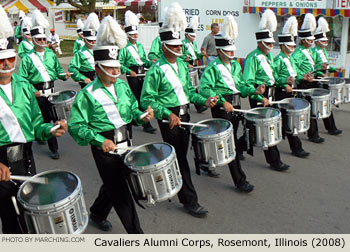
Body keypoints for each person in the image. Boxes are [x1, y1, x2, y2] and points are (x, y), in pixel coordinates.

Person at [69, 16, 154, 233]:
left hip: (126, 140)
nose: (117, 72)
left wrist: (142, 116)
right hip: (104, 147)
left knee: (114, 183)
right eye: (111, 69)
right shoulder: (87, 95)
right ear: (98, 68)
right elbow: (76, 126)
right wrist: (99, 140)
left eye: (117, 68)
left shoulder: (123, 87)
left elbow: (133, 109)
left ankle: (97, 212)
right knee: (122, 192)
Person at [141, 3, 217, 218]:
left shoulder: (183, 65)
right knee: (181, 160)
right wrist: (167, 114)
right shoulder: (155, 70)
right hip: (170, 117)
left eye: (179, 45)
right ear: (164, 46)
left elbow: (189, 93)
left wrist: (205, 100)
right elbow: (147, 99)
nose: (178, 48)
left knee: (179, 155)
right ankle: (189, 201)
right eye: (174, 46)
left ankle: (168, 180)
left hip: (184, 113)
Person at [0, 5, 67, 234]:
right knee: (8, 218)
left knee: (29, 212)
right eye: (1, 60)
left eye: (9, 58)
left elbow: (36, 123)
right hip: (0, 161)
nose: (7, 64)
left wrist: (49, 130)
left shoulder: (23, 86)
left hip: (25, 157)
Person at [200, 15, 264, 191]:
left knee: (226, 139)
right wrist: (221, 102)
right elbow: (205, 90)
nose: (232, 53)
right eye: (228, 51)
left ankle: (205, 162)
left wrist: (254, 91)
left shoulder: (236, 66)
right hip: (223, 107)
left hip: (236, 104)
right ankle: (240, 180)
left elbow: (241, 86)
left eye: (232, 50)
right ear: (220, 51)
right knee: (229, 143)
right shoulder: (212, 68)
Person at [18, 10, 71, 160]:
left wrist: (64, 76)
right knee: (45, 119)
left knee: (54, 119)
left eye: (43, 39)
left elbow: (58, 71)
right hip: (38, 93)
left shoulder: (50, 54)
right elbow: (22, 80)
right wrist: (32, 91)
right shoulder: (28, 58)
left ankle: (44, 136)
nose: (42, 41)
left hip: (52, 91)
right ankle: (54, 148)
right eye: (39, 39)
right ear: (33, 40)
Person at [243, 9, 290, 172]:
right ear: (260, 43)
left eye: (272, 43)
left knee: (257, 128)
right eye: (268, 43)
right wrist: (257, 93)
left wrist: (285, 82)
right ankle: (275, 161)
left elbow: (274, 76)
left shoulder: (269, 57)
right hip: (258, 94)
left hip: (271, 93)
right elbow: (247, 81)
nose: (271, 46)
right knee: (266, 128)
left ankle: (239, 146)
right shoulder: (252, 57)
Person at [274, 16, 310, 158]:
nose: (293, 48)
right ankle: (296, 148)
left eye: (294, 45)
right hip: (282, 93)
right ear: (283, 46)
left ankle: (295, 147)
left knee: (288, 122)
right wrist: (284, 84)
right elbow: (274, 78)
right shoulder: (278, 60)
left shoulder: (290, 59)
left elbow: (295, 74)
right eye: (291, 46)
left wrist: (303, 77)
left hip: (292, 92)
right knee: (287, 122)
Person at [119, 10, 157, 134]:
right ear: (129, 35)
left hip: (142, 72)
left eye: (136, 34)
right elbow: (119, 63)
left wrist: (150, 63)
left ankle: (137, 119)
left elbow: (143, 60)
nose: (136, 36)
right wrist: (129, 71)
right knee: (138, 98)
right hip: (133, 74)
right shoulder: (124, 48)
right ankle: (146, 123)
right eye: (133, 34)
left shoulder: (140, 46)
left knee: (143, 96)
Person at [312, 17, 342, 136]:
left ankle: (331, 127)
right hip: (316, 80)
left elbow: (326, 66)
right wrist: (320, 73)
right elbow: (313, 68)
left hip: (324, 79)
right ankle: (315, 132)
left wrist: (335, 70)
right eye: (323, 41)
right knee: (318, 105)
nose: (325, 43)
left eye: (326, 41)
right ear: (317, 41)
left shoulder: (323, 51)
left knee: (326, 103)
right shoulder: (313, 52)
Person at [181, 16, 207, 114]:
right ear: (187, 35)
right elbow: (178, 56)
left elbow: (195, 54)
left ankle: (198, 105)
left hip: (194, 64)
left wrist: (201, 54)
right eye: (192, 36)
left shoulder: (194, 44)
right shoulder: (182, 43)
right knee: (190, 86)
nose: (193, 38)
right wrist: (185, 61)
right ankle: (198, 106)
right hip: (187, 66)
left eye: (194, 36)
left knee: (195, 86)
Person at [68, 13, 99, 89]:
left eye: (94, 40)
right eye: (90, 40)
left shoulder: (99, 51)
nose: (93, 42)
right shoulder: (80, 53)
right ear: (85, 40)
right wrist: (83, 78)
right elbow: (72, 68)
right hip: (87, 79)